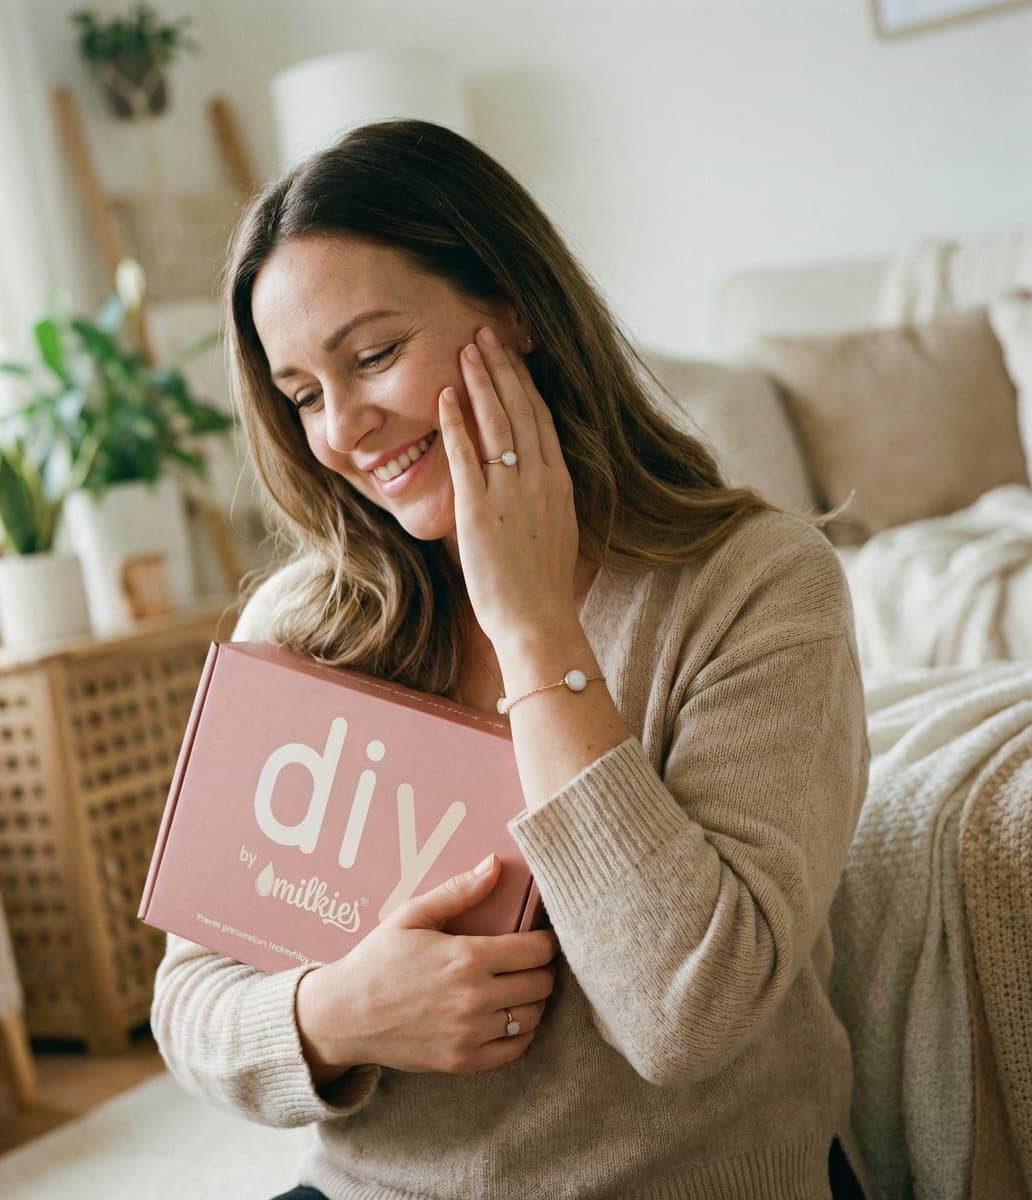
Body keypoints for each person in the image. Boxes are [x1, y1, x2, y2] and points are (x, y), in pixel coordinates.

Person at [151, 119, 871, 1200]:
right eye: (302, 394)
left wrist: (534, 631)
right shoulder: (304, 630)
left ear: (516, 307)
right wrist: (339, 1014)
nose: (344, 430)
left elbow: (689, 1016)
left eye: (375, 355)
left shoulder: (759, 586)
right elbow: (189, 1000)